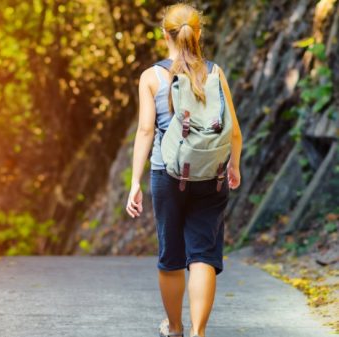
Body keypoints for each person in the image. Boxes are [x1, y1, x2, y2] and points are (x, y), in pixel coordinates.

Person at [125, 3, 243, 337]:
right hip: (212, 174)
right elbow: (234, 131)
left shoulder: (152, 77)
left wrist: (134, 182)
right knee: (204, 254)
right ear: (199, 33)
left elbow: (146, 132)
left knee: (172, 255)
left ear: (165, 34)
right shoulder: (215, 72)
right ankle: (198, 333)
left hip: (168, 174)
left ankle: (174, 328)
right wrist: (233, 164)